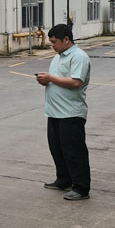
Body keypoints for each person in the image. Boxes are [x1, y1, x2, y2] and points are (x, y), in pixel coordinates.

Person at [36, 23, 92, 201]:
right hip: (54, 113)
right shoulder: (58, 57)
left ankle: (81, 187)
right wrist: (46, 80)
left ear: (66, 39)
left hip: (71, 113)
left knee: (74, 151)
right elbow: (58, 80)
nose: (52, 45)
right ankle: (64, 179)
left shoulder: (78, 56)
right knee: (57, 149)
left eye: (54, 42)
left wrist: (51, 78)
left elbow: (76, 82)